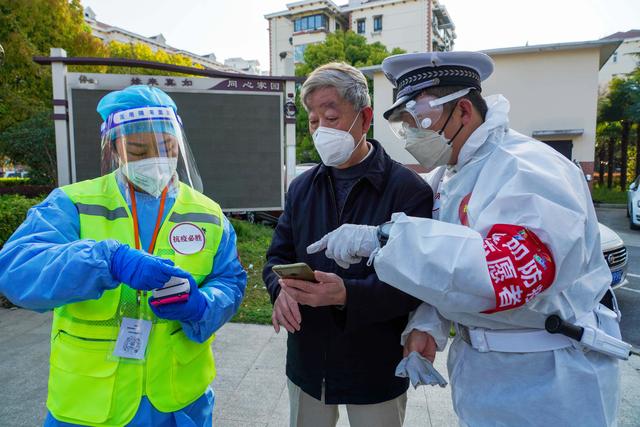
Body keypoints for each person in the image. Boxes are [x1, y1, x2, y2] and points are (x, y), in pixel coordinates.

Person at [308, 52, 622, 426]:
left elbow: (512, 270)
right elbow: (451, 271)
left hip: (550, 380)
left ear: (463, 111)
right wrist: (427, 326)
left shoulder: (527, 168)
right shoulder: (450, 177)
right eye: (404, 126)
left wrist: (384, 237)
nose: (413, 136)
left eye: (420, 120)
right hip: (485, 376)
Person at [0, 85, 247, 427]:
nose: (155, 158)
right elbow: (16, 270)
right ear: (114, 148)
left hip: (179, 404)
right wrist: (106, 260)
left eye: (166, 146)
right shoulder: (73, 203)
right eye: (137, 149)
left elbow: (230, 280)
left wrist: (203, 305)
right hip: (90, 407)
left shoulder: (208, 214)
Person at [262, 62, 434, 427]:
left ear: (365, 117)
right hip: (308, 362)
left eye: (331, 117)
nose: (321, 130)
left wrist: (346, 295)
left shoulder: (407, 191)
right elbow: (277, 255)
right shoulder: (302, 188)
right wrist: (281, 290)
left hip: (375, 367)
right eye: (313, 121)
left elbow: (416, 284)